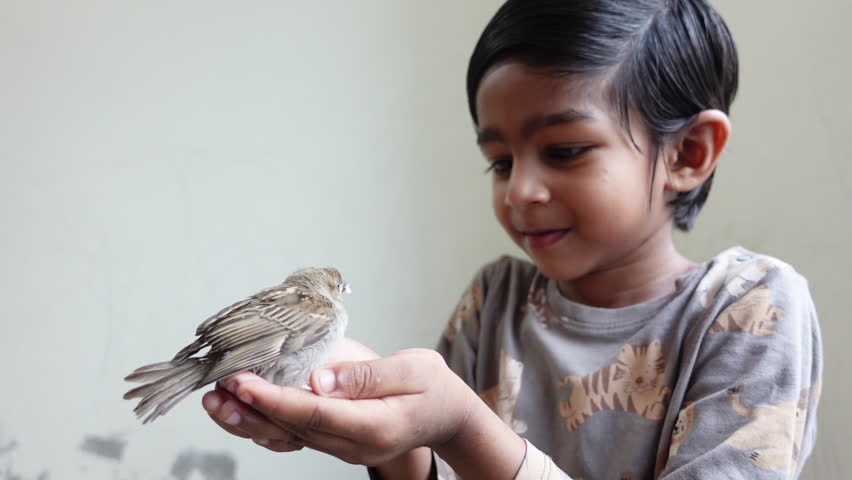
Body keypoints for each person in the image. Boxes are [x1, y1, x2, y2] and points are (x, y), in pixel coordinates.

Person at [200, 0, 823, 478]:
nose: (520, 190)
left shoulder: (751, 310)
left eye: (564, 150)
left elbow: (461, 436)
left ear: (688, 152)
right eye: (500, 162)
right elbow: (433, 468)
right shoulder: (494, 301)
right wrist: (388, 433)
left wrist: (463, 427)